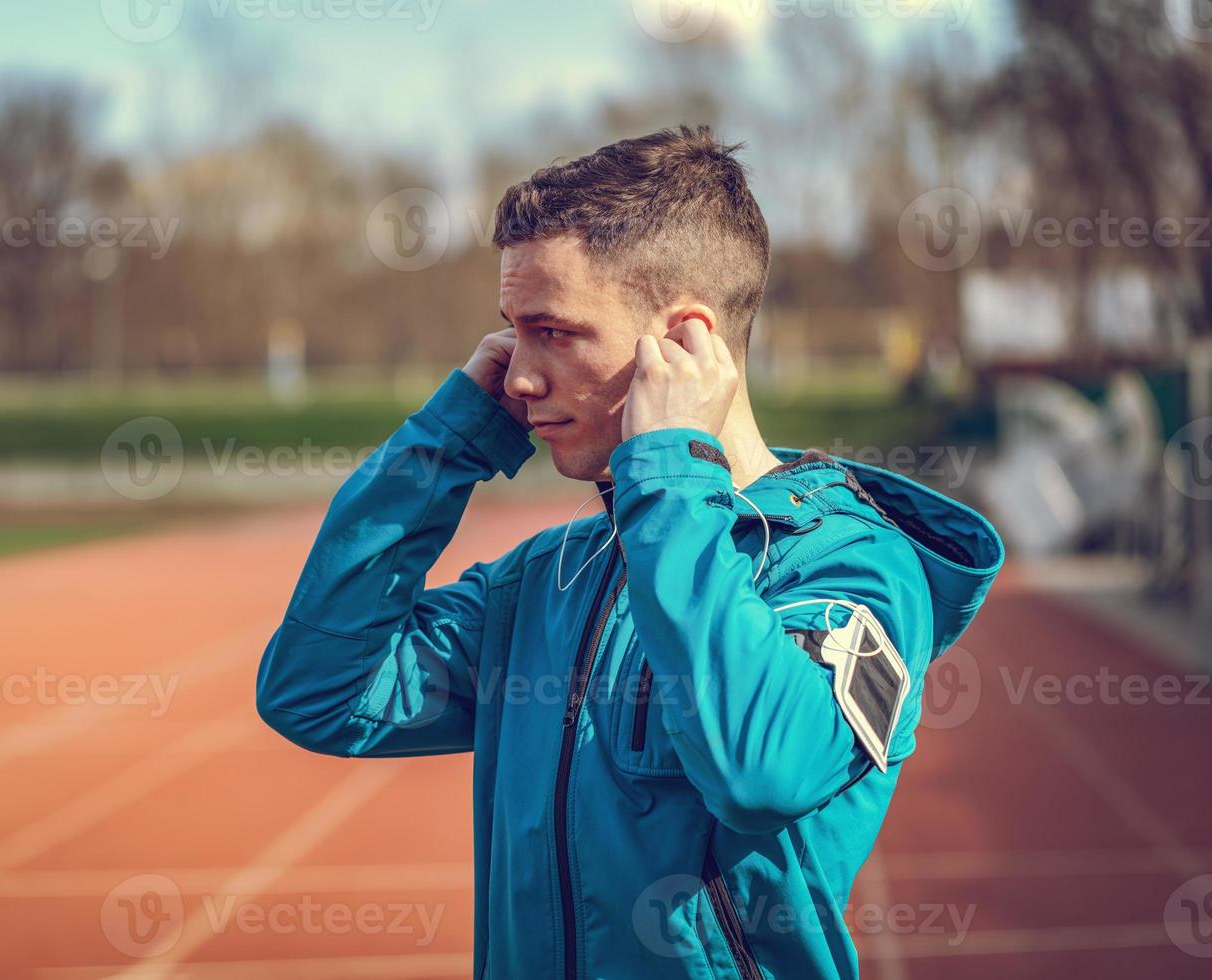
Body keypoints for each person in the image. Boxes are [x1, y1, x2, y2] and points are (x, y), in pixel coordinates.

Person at [256, 125, 1004, 979]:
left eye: (555, 332)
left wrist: (672, 473)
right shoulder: (547, 578)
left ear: (685, 343)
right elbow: (318, 693)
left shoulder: (847, 568)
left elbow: (761, 771)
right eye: (512, 333)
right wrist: (447, 441)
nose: (519, 379)